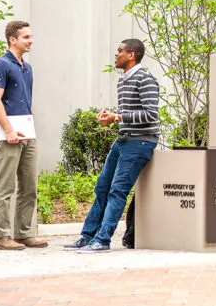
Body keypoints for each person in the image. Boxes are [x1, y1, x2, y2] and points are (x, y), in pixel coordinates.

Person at [66, 39, 159, 253]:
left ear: (132, 55)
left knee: (117, 191)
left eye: (120, 51)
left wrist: (117, 116)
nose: (115, 55)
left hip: (140, 142)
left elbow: (151, 114)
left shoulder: (145, 79)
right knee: (102, 187)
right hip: (123, 140)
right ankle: (88, 237)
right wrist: (110, 117)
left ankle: (103, 240)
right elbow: (129, 113)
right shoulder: (123, 80)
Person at [0, 20, 47, 251]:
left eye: (30, 37)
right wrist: (9, 130)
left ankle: (23, 234)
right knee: (4, 186)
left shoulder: (27, 67)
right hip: (9, 131)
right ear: (12, 39)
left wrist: (30, 128)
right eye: (26, 37)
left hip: (27, 132)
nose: (30, 41)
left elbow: (27, 100)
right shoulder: (0, 65)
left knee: (29, 184)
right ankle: (1, 237)